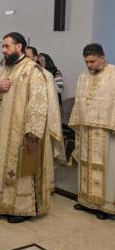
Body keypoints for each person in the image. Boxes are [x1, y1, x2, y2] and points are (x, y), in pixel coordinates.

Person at [0, 32, 55, 223]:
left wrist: (32, 133)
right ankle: (0, 204)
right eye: (3, 46)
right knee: (2, 166)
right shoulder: (2, 70)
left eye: (7, 46)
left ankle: (21, 209)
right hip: (3, 128)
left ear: (19, 47)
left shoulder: (33, 70)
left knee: (21, 167)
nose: (3, 50)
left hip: (22, 130)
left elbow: (39, 103)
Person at [69, 43, 115, 219]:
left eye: (92, 61)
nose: (89, 65)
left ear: (102, 58)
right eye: (86, 62)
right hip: (87, 129)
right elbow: (80, 100)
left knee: (108, 169)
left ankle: (105, 206)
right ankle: (86, 200)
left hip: (106, 130)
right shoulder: (83, 76)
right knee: (85, 164)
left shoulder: (113, 74)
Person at [26, 47, 64, 192]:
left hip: (43, 118)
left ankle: (44, 183)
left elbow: (53, 98)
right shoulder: (21, 73)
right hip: (25, 120)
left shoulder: (48, 75)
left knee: (42, 152)